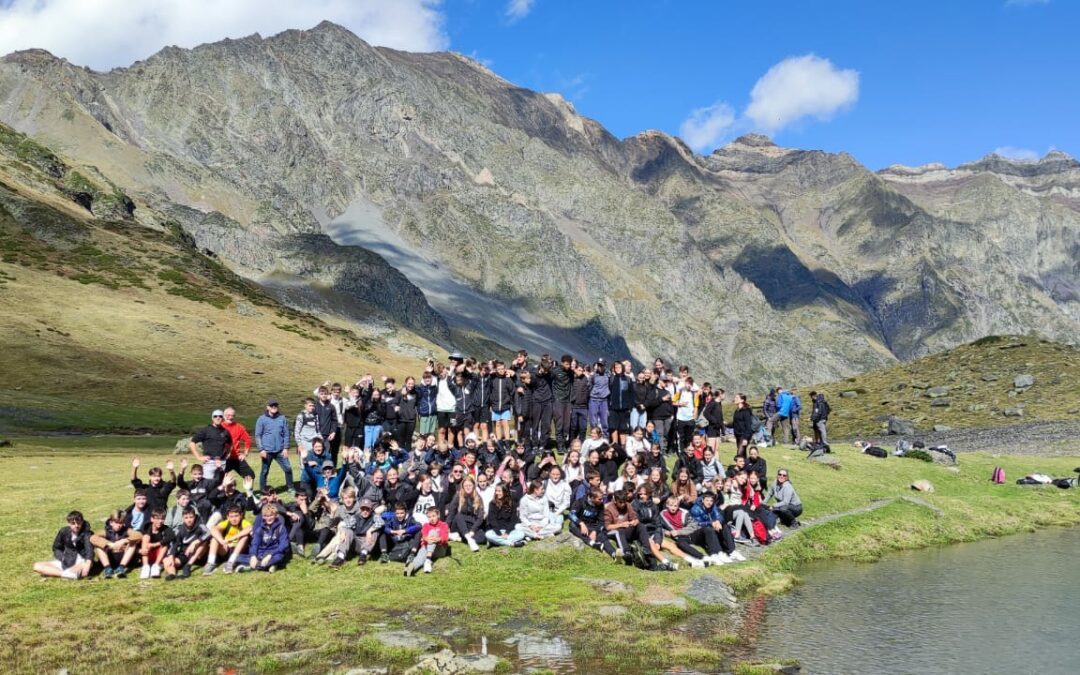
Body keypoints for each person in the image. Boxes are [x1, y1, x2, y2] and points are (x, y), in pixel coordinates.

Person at [34, 511, 93, 580]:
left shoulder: (87, 533)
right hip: (66, 561)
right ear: (69, 524)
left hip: (81, 561)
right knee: (37, 566)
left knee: (85, 565)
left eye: (78, 523)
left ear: (82, 522)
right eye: (73, 523)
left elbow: (89, 550)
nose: (76, 525)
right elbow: (56, 548)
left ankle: (60, 573)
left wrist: (88, 563)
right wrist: (62, 558)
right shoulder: (64, 531)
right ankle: (67, 574)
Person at [689, 491, 744, 562]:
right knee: (709, 529)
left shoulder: (713, 506)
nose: (709, 503)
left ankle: (732, 551)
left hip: (710, 531)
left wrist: (718, 521)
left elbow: (719, 516)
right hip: (696, 533)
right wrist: (711, 523)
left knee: (725, 526)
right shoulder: (695, 509)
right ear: (703, 500)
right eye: (707, 500)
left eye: (711, 501)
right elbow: (696, 524)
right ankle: (716, 553)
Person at [255, 399, 294, 495]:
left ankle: (290, 487)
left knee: (288, 469)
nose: (274, 407)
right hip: (267, 451)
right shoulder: (262, 419)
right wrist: (261, 449)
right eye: (272, 405)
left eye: (275, 405)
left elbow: (286, 434)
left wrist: (285, 448)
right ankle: (263, 490)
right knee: (264, 471)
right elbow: (258, 435)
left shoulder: (282, 418)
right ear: (267, 407)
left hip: (280, 450)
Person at [162, 507, 210, 579]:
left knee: (204, 542)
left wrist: (195, 543)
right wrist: (171, 556)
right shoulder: (179, 529)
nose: (189, 520)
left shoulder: (200, 525)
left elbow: (209, 533)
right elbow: (174, 544)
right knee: (166, 560)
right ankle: (172, 574)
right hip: (185, 554)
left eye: (191, 517)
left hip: (199, 555)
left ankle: (188, 565)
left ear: (195, 517)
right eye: (186, 518)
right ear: (183, 519)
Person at [241, 503, 290, 573]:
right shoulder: (260, 529)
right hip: (260, 553)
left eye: (271, 515)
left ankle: (254, 567)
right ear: (263, 517)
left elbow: (284, 545)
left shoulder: (281, 528)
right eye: (266, 516)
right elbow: (255, 544)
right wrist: (253, 556)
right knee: (238, 558)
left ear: (276, 516)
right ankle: (269, 565)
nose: (269, 518)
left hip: (274, 553)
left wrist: (270, 555)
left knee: (279, 557)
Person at [568, 487, 616, 558]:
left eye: (602, 498)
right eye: (599, 499)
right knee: (572, 525)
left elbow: (601, 521)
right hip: (580, 525)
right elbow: (571, 514)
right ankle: (592, 543)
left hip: (592, 526)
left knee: (602, 536)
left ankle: (614, 554)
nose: (602, 501)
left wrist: (595, 532)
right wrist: (581, 523)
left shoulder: (600, 505)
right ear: (592, 498)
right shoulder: (580, 502)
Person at [203, 505, 251, 575]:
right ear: (228, 517)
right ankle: (211, 563)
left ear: (241, 515)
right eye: (231, 516)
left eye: (236, 516)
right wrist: (222, 541)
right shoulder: (226, 522)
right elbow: (213, 529)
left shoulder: (243, 522)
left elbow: (249, 528)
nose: (234, 519)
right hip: (227, 549)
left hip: (240, 549)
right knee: (214, 539)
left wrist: (231, 539)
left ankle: (231, 562)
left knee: (245, 537)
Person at [92, 510, 139, 578]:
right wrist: (110, 544)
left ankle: (121, 568)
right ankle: (108, 569)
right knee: (98, 546)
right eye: (117, 523)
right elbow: (93, 538)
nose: (119, 525)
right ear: (111, 522)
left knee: (133, 543)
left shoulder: (126, 530)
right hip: (110, 557)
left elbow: (139, 535)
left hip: (123, 556)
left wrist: (123, 540)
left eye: (121, 523)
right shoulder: (106, 531)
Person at [405, 506, 450, 576]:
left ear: (438, 515)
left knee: (433, 532)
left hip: (440, 549)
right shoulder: (426, 525)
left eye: (433, 516)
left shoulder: (444, 525)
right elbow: (424, 535)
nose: (431, 519)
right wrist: (426, 538)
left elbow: (445, 537)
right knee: (420, 557)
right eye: (429, 517)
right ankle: (410, 569)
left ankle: (428, 560)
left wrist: (439, 539)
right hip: (427, 546)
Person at [189, 410, 233, 481]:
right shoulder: (206, 430)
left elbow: (230, 443)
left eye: (220, 416)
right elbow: (192, 443)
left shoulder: (226, 432)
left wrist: (228, 453)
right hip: (209, 462)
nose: (218, 418)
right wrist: (199, 457)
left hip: (222, 462)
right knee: (207, 484)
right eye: (215, 416)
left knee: (221, 485)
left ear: (223, 418)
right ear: (212, 418)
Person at [446, 477, 487, 551]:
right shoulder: (458, 496)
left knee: (483, 538)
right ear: (463, 487)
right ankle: (469, 540)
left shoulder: (478, 498)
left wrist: (472, 531)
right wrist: (446, 527)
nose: (468, 487)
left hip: (470, 525)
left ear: (474, 486)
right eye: (466, 486)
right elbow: (451, 512)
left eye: (470, 485)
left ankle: (460, 537)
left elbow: (480, 518)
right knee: (458, 515)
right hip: (459, 523)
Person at [138, 508, 174, 579]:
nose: (160, 521)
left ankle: (156, 566)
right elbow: (137, 536)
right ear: (152, 519)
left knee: (165, 544)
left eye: (162, 519)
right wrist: (140, 550)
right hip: (147, 553)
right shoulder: (146, 527)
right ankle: (145, 567)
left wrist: (155, 544)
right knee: (145, 537)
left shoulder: (166, 529)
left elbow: (171, 537)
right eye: (157, 519)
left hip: (160, 555)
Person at [221, 406, 256, 479]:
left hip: (236, 458)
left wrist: (245, 453)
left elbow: (248, 440)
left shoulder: (239, 427)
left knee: (250, 476)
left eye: (232, 415)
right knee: (217, 478)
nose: (230, 417)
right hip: (223, 459)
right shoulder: (219, 427)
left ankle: (249, 490)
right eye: (228, 415)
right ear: (224, 416)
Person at [587, 359, 611, 437]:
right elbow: (589, 386)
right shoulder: (593, 375)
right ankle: (594, 437)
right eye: (599, 365)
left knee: (605, 421)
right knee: (593, 421)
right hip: (593, 400)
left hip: (604, 401)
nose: (600, 367)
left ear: (604, 366)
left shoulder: (608, 375)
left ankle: (605, 439)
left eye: (601, 365)